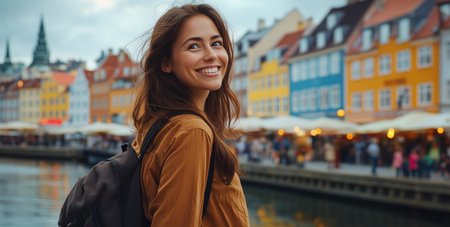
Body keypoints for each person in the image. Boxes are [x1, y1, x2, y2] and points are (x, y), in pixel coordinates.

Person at [130, 4, 249, 226]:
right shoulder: (192, 131)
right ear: (166, 63)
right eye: (194, 46)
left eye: (216, 43)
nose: (212, 55)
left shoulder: (159, 124)